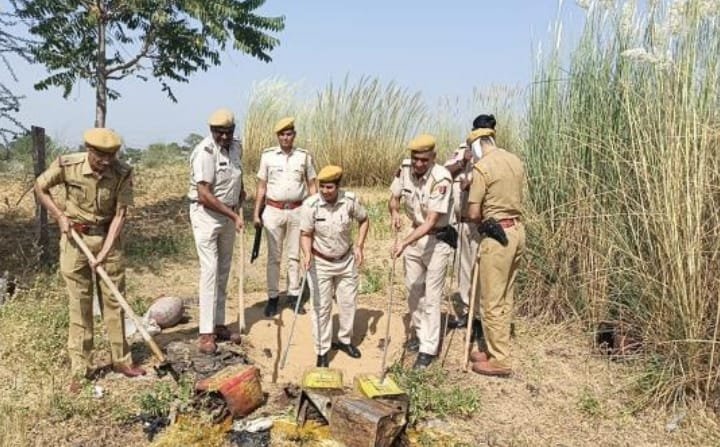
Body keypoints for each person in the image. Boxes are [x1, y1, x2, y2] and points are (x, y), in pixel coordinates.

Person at [34, 127, 145, 389]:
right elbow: (40, 187)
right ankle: (80, 368)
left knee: (114, 301)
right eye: (101, 156)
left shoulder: (122, 172)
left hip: (109, 240)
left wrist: (104, 253)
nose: (106, 162)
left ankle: (122, 360)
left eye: (112, 156)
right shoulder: (67, 164)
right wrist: (59, 216)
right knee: (80, 304)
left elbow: (120, 215)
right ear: (89, 150)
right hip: (75, 241)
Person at [466, 114, 525, 377]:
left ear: (476, 146)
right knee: (505, 294)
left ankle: (499, 359)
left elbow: (474, 212)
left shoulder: (483, 168)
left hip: (496, 234)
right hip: (517, 231)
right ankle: (494, 348)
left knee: (491, 298)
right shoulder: (514, 160)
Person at [389, 134, 454, 369]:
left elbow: (430, 221)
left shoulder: (441, 178)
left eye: (424, 160)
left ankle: (428, 349)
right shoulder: (404, 169)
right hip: (415, 236)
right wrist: (395, 213)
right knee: (413, 290)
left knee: (432, 295)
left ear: (433, 158)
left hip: (437, 239)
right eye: (415, 159)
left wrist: (403, 243)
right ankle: (418, 334)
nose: (418, 164)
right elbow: (394, 198)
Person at [300, 165, 370, 367]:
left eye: (329, 187)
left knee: (348, 303)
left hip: (346, 261)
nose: (325, 191)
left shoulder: (350, 201)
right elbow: (305, 234)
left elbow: (364, 220)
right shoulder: (311, 205)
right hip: (320, 262)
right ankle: (322, 350)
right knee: (321, 307)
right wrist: (306, 254)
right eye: (322, 186)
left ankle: (345, 341)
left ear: (338, 186)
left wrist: (359, 246)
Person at [188, 108, 244, 354]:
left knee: (223, 270)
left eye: (228, 132)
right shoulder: (204, 152)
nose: (224, 137)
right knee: (209, 271)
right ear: (211, 131)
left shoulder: (236, 147)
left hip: (229, 215)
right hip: (207, 216)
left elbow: (236, 175)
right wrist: (232, 215)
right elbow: (205, 194)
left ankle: (219, 323)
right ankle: (205, 332)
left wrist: (241, 192)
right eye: (219, 132)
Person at [253, 117, 317, 317]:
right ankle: (273, 297)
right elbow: (262, 187)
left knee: (294, 256)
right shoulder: (268, 156)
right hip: (273, 211)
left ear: (294, 135)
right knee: (274, 257)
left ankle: (293, 295)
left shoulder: (304, 156)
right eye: (282, 134)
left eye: (289, 134)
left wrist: (313, 210)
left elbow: (312, 184)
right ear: (277, 136)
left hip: (298, 210)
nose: (286, 138)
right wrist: (256, 213)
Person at [443, 141, 482, 334]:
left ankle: (481, 317)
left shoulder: (488, 155)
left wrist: (473, 185)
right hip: (459, 222)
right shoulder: (459, 151)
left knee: (479, 269)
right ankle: (468, 314)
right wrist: (461, 163)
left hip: (478, 223)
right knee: (463, 269)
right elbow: (443, 174)